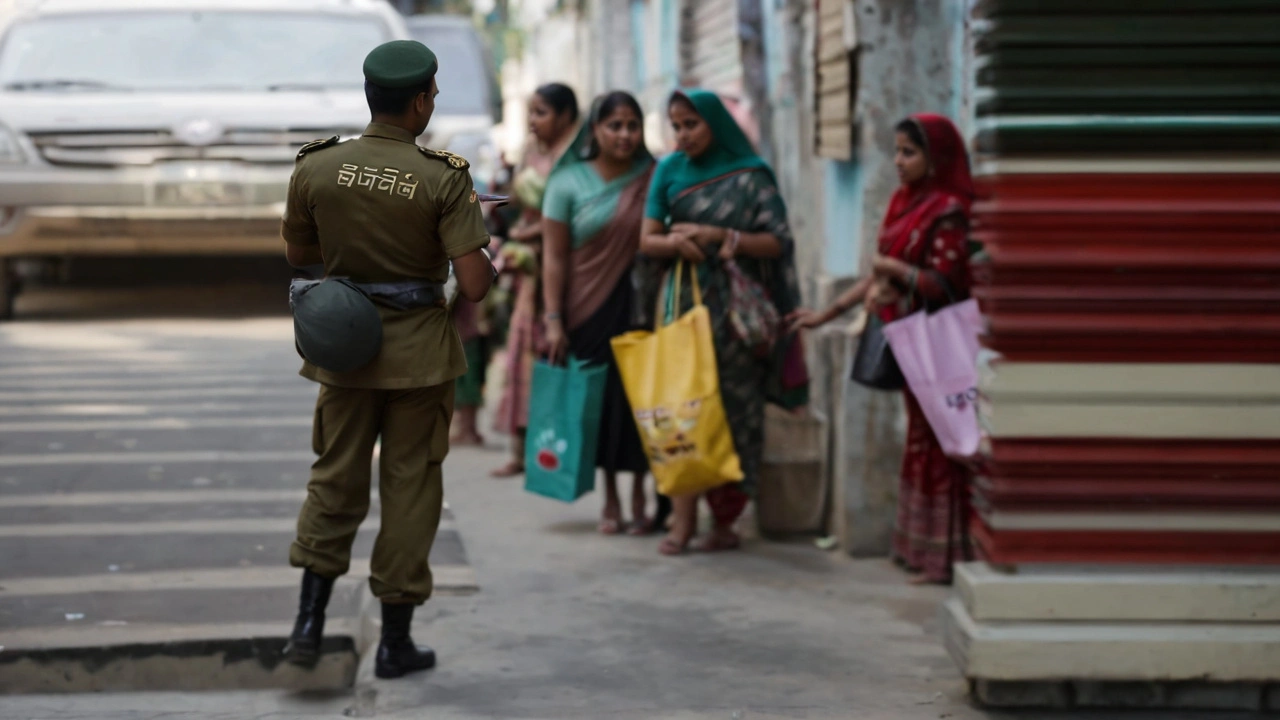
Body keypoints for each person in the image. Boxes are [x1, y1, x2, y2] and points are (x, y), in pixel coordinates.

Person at [279, 39, 496, 678]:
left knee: (334, 477)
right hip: (420, 359)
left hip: (345, 352)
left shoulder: (317, 168)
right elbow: (475, 286)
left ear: (371, 96)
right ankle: (396, 644)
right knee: (410, 489)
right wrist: (478, 235)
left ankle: (309, 624)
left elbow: (299, 256)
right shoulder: (445, 177)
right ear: (422, 99)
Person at [789, 114, 975, 584]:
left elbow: (942, 283)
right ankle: (921, 549)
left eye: (909, 152)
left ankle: (945, 557)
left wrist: (891, 266)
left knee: (943, 443)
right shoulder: (903, 202)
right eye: (896, 151)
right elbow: (879, 277)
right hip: (907, 341)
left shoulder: (949, 210)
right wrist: (826, 314)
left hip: (940, 346)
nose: (898, 161)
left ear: (936, 158)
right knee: (919, 439)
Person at [638, 89, 803, 555]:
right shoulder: (669, 169)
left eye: (692, 124)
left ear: (715, 123)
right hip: (681, 306)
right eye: (676, 126)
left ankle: (725, 521)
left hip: (736, 316)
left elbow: (778, 241)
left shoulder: (752, 175)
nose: (683, 135)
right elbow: (647, 239)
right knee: (680, 410)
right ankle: (683, 522)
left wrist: (721, 235)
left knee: (735, 413)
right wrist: (677, 243)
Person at [540, 91, 667, 535]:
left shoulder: (655, 177)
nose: (625, 134)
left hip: (642, 310)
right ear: (595, 130)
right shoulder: (567, 182)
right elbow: (553, 258)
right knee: (601, 404)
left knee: (641, 403)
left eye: (633, 125)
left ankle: (641, 493)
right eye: (614, 125)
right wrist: (553, 319)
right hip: (586, 309)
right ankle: (611, 495)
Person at [491, 83, 581, 477]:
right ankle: (520, 449)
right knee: (522, 353)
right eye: (531, 112)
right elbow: (520, 206)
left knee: (556, 358)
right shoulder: (531, 153)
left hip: (565, 270)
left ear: (565, 116)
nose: (533, 121)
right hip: (530, 270)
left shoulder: (578, 160)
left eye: (541, 112)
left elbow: (570, 217)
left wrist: (527, 237)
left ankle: (556, 450)